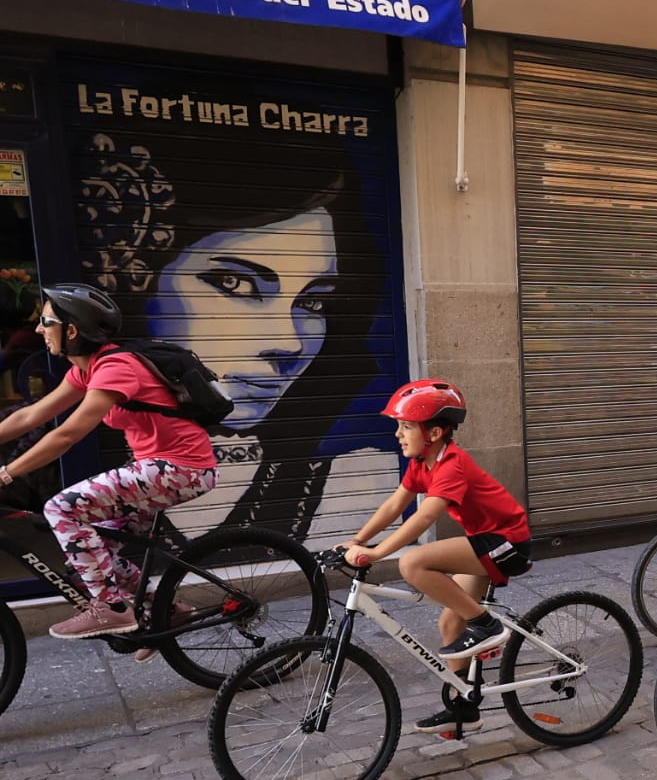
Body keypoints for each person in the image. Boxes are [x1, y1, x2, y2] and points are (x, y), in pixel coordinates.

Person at [72, 127, 393, 545]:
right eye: (235, 283)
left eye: (313, 303)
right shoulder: (102, 381)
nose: (290, 343)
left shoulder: (351, 481)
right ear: (140, 282)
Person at [0, 284, 217, 638]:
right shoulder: (87, 369)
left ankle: (112, 609)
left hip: (183, 468)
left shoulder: (117, 367)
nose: (38, 329)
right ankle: (164, 610)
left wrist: (7, 474)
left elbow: (66, 435)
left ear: (71, 330)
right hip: (156, 469)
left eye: (45, 320)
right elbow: (32, 416)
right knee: (95, 554)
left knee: (61, 508)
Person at [340, 380, 534, 735]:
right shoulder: (421, 463)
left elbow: (425, 516)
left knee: (412, 563)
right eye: (398, 426)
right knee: (450, 623)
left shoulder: (452, 464)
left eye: (406, 427)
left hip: (507, 544)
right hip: (484, 541)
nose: (398, 434)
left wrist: (378, 553)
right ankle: (465, 709)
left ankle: (488, 625)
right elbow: (394, 506)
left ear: (434, 432)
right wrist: (357, 541)